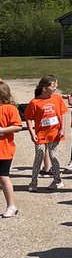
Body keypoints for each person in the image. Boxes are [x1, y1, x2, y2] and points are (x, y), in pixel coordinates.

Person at [24, 76, 67, 192]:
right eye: (53, 87)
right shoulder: (35, 102)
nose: (55, 89)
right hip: (41, 134)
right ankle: (33, 181)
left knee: (53, 155)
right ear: (44, 88)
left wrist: (62, 129)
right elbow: (28, 118)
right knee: (39, 155)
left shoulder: (57, 98)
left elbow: (62, 114)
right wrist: (32, 133)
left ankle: (57, 181)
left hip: (55, 133)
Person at [0, 81, 23, 218]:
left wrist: (2, 130)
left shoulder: (10, 108)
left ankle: (11, 205)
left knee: (3, 177)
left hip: (4, 149)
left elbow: (18, 126)